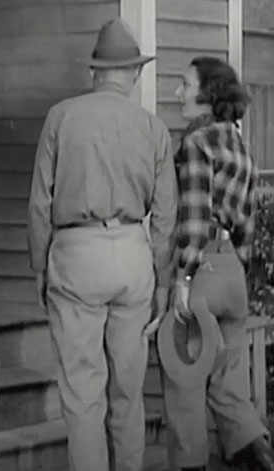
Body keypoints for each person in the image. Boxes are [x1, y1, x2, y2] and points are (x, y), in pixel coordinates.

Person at [27, 18, 177, 471]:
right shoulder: (154, 130)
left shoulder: (61, 117)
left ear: (95, 72)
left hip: (76, 256)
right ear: (134, 73)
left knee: (82, 394)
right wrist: (164, 284)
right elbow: (166, 217)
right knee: (129, 393)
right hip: (133, 255)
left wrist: (40, 266)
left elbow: (39, 204)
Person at [154, 56, 274, 471]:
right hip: (232, 276)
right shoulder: (239, 144)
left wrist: (184, 278)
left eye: (184, 84)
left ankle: (190, 465)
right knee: (229, 383)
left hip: (200, 270)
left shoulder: (195, 144)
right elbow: (248, 223)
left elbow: (194, 217)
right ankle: (258, 453)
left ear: (207, 94)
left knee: (183, 379)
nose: (177, 92)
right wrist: (232, 265)